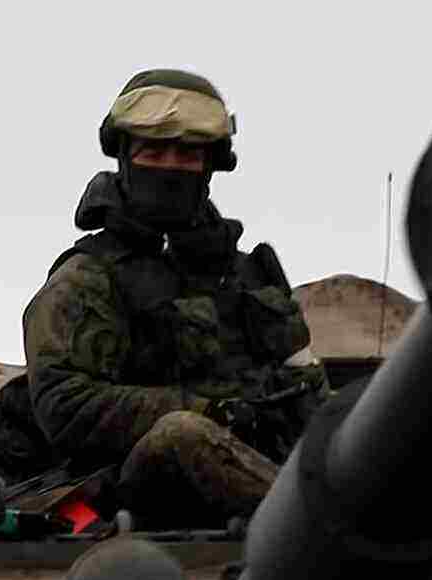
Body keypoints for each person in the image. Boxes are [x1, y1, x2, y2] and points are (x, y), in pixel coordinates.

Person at [21, 69, 327, 524]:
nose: (169, 166)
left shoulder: (248, 275)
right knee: (182, 434)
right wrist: (209, 410)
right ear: (124, 158)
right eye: (153, 151)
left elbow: (309, 391)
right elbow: (64, 405)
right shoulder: (87, 277)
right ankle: (325, 527)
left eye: (187, 154)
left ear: (211, 166)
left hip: (268, 472)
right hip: (135, 492)